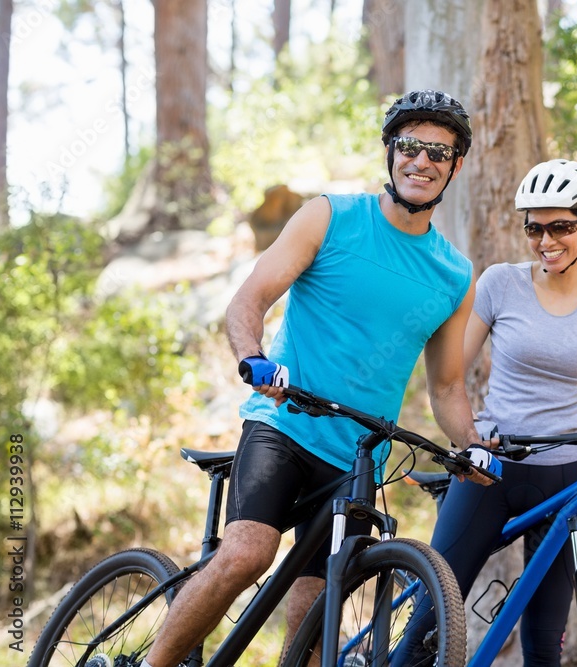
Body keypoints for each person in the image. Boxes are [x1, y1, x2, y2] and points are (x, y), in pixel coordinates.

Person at [134, 90, 493, 667]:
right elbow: (248, 300)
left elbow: (447, 386)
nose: (421, 162)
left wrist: (470, 446)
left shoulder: (454, 274)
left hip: (358, 456)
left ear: (454, 166)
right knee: (248, 554)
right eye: (409, 147)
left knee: (317, 599)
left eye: (438, 152)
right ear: (390, 153)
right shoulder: (330, 216)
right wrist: (253, 358)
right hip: (284, 425)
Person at [396, 159, 577, 667]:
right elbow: (451, 373)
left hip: (564, 474)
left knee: (545, 644)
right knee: (428, 622)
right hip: (491, 466)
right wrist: (468, 437)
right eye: (534, 228)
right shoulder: (502, 283)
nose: (547, 240)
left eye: (561, 227)